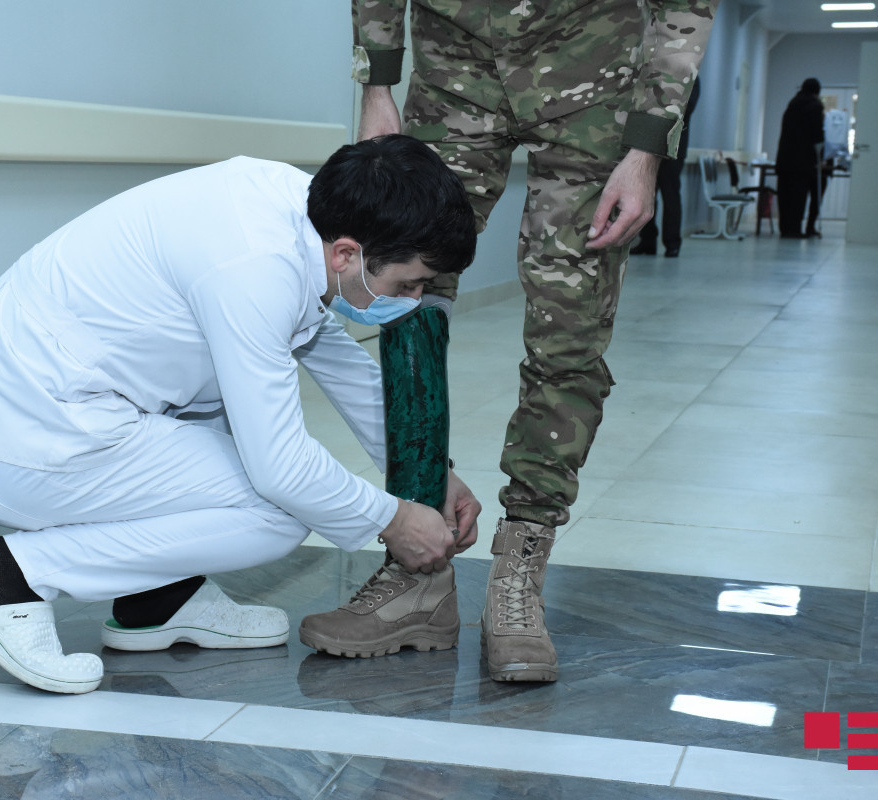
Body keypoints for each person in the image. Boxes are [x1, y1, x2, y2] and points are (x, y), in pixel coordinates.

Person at [0, 134, 483, 694]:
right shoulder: (254, 269)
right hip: (19, 438)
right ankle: (14, 574)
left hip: (31, 404)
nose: (411, 301)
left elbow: (336, 360)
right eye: (407, 283)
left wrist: (434, 473)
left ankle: (159, 600)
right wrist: (392, 519)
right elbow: (281, 468)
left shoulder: (304, 209)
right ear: (346, 255)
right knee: (277, 510)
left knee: (219, 420)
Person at [301, 1, 717, 683]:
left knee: (568, 335)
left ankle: (519, 572)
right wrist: (377, 84)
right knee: (407, 305)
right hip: (454, 66)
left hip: (592, 73)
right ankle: (417, 573)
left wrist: (647, 146)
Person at [631, 76, 701, 258]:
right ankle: (648, 241)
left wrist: (659, 107)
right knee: (647, 193)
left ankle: (672, 243)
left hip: (673, 148)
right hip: (649, 145)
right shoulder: (656, 74)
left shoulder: (691, 77)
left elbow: (685, 109)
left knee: (671, 196)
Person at [775, 78, 825, 239]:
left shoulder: (792, 104)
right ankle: (795, 229)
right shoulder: (815, 106)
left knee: (785, 196)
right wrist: (820, 156)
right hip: (803, 161)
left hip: (784, 159)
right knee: (798, 197)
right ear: (817, 92)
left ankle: (785, 229)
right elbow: (817, 134)